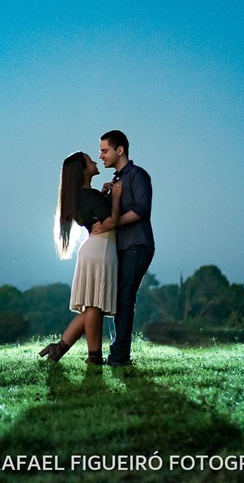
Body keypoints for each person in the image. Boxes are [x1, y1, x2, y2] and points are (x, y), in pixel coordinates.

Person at [39, 151, 122, 366]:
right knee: (94, 307)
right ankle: (93, 357)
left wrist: (103, 196)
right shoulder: (90, 196)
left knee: (92, 308)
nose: (95, 161)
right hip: (101, 248)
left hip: (94, 249)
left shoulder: (80, 197)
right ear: (84, 170)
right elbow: (111, 222)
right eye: (90, 160)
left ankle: (60, 348)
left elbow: (96, 215)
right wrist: (116, 198)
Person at [92, 129, 154, 367]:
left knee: (125, 299)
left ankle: (120, 357)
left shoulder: (138, 175)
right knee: (119, 300)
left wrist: (114, 221)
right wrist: (106, 195)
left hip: (137, 245)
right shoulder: (115, 181)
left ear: (120, 150)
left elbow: (141, 209)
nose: (101, 156)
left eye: (104, 150)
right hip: (121, 248)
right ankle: (118, 353)